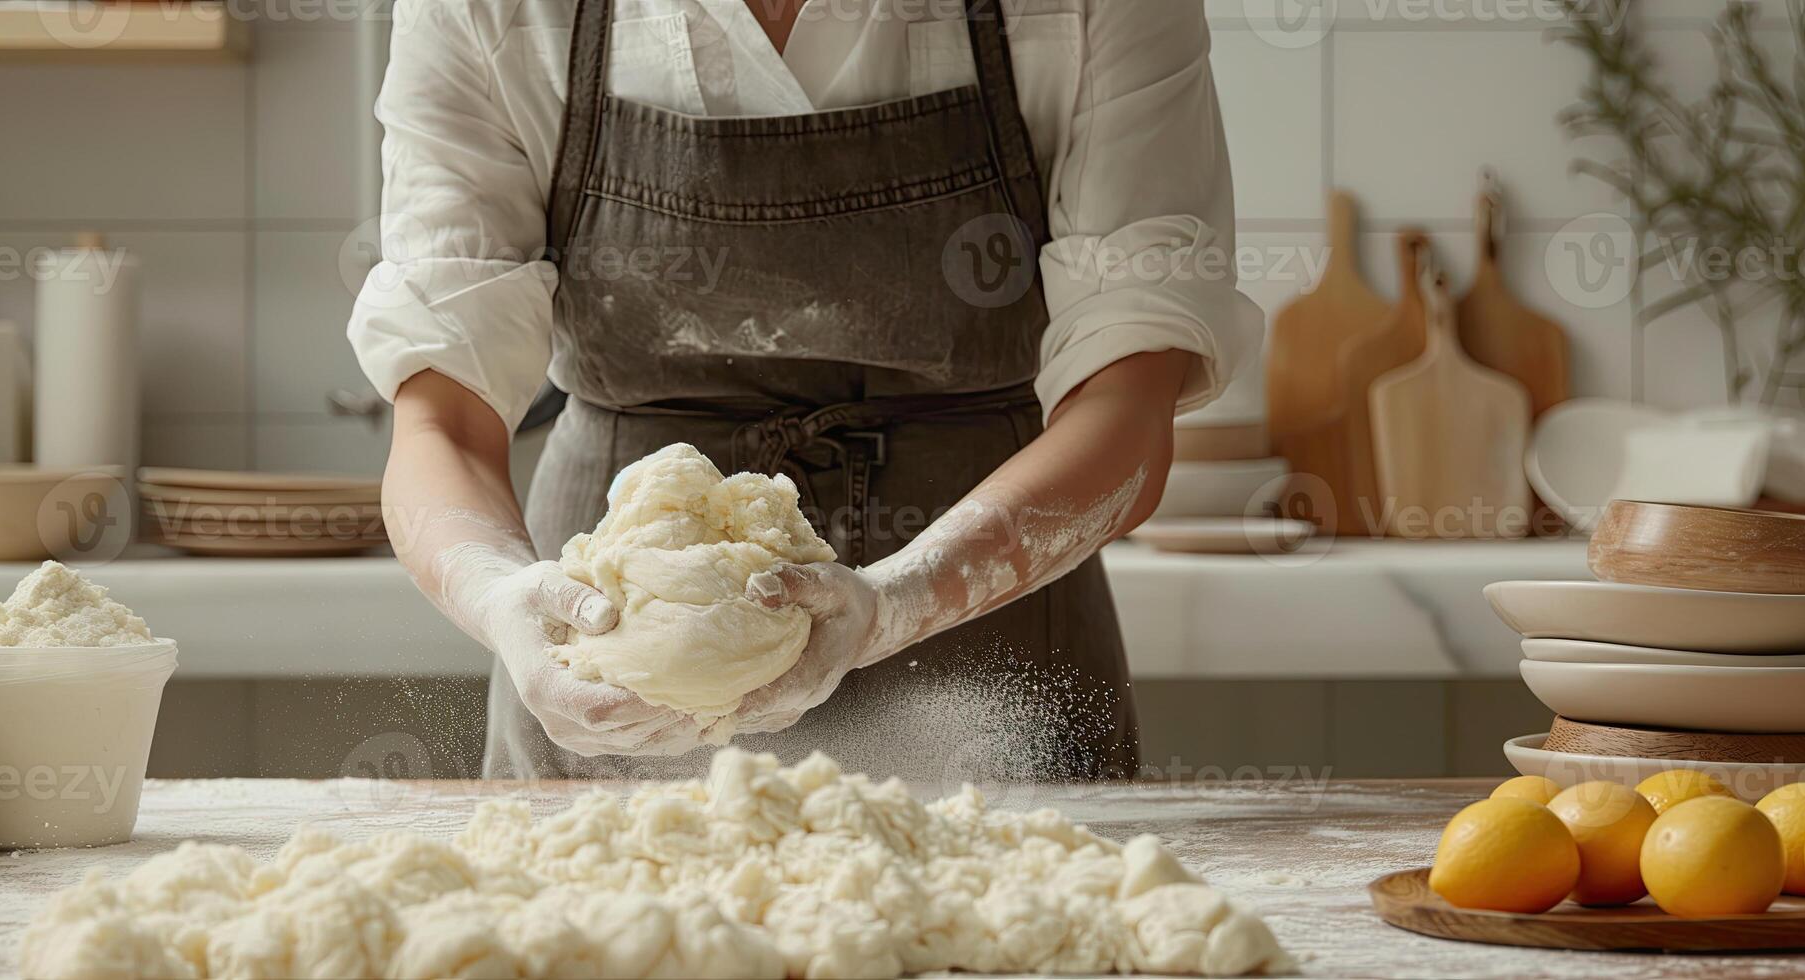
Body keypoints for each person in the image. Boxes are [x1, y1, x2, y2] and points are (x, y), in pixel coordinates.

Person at [352, 0, 1257, 780]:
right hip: (617, 662)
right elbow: (443, 417)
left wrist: (901, 597)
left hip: (990, 611)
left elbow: (1129, 397)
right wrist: (504, 600)